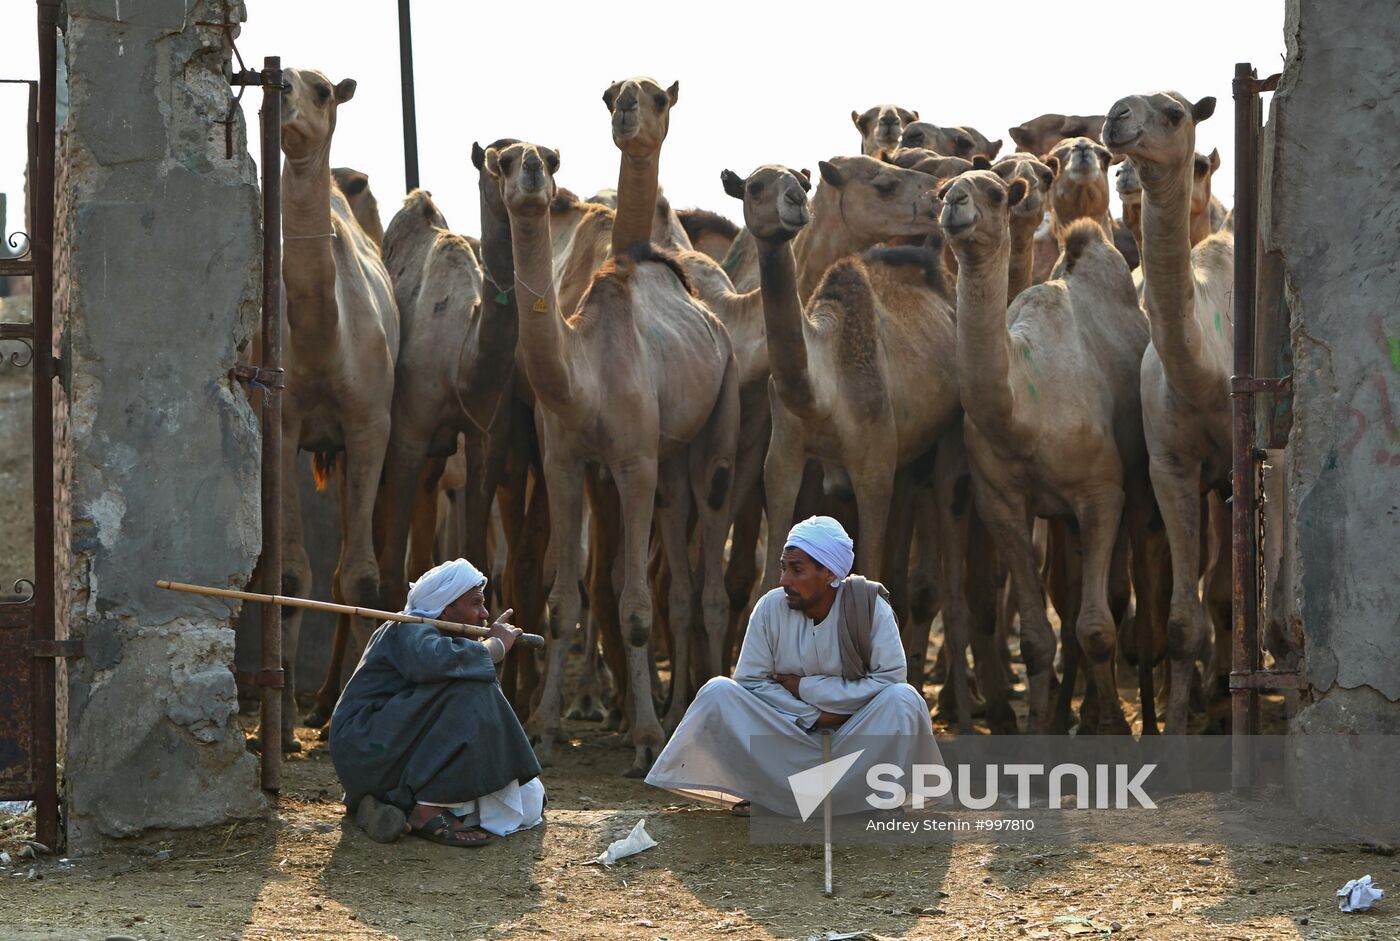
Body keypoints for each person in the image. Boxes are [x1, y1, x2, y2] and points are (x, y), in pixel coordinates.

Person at [645, 516, 940, 816]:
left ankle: (867, 797)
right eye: (783, 568)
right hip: (788, 736)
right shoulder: (770, 608)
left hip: (855, 736)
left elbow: (889, 681)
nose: (785, 580)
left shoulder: (870, 608)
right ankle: (771, 794)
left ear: (829, 572)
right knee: (717, 692)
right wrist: (812, 716)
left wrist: (804, 687)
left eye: (796, 569)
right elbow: (751, 683)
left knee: (904, 700)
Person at [329, 558, 545, 847]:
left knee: (527, 799)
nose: (484, 614)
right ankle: (425, 809)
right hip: (365, 747)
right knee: (472, 691)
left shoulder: (428, 632)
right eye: (476, 603)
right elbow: (432, 661)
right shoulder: (408, 628)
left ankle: (392, 803)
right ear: (446, 608)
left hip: (383, 753)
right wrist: (494, 647)